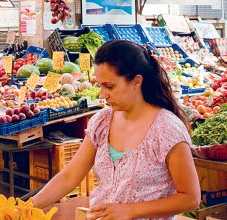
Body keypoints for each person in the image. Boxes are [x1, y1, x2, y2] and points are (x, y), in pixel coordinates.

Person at [33, 40, 200, 219]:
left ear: (136, 82)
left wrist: (130, 210)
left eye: (109, 86)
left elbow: (190, 198)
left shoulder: (167, 130)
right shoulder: (102, 121)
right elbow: (69, 176)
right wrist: (25, 207)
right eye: (100, 86)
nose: (103, 95)